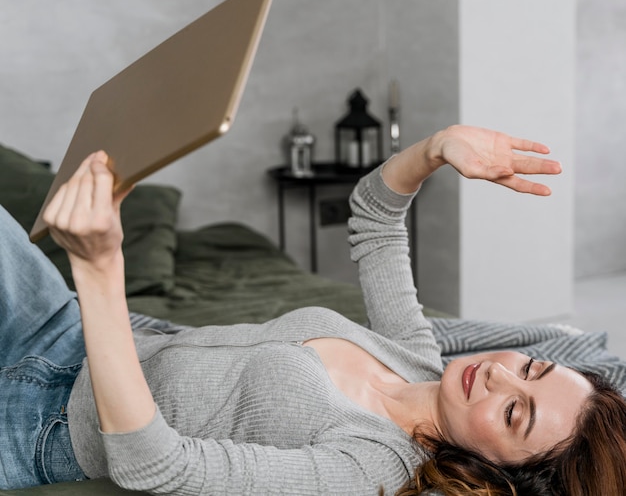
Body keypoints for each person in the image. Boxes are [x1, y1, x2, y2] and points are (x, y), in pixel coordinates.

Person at [0, 125, 624, 495]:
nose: (498, 374)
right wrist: (436, 149)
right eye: (532, 367)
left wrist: (102, 268)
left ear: (496, 480)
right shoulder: (415, 358)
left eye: (514, 410)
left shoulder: (367, 467)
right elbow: (375, 217)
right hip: (65, 326)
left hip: (36, 419)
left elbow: (157, 467)